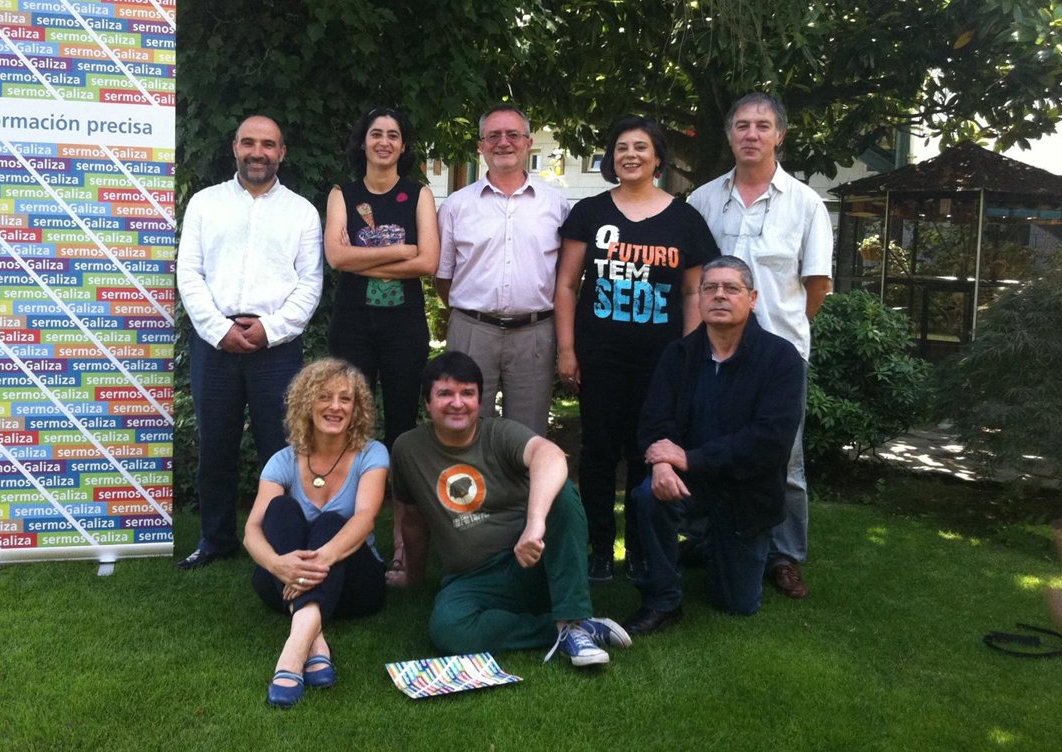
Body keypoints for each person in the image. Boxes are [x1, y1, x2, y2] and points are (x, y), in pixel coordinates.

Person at [389, 351, 632, 668]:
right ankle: (567, 630)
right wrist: (414, 576)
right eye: (445, 393)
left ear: (480, 400)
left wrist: (535, 524)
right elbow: (412, 519)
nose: (457, 403)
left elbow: (551, 455)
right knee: (449, 629)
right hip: (473, 579)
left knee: (562, 493)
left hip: (531, 563)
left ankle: (571, 617)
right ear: (427, 402)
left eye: (467, 393)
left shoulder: (499, 433)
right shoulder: (407, 449)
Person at [555, 116, 718, 584]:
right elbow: (566, 285)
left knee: (648, 452)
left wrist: (688, 353)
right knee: (599, 452)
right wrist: (567, 350)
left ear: (658, 157)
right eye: (622, 147)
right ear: (611, 158)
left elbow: (693, 292)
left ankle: (643, 550)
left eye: (641, 147)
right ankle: (600, 548)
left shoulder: (685, 219)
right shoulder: (589, 212)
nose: (630, 155)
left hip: (660, 362)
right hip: (600, 357)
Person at [686, 93, 833, 599]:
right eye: (742, 125)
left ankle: (785, 555)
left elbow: (817, 284)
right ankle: (706, 538)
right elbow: (692, 279)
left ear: (779, 135)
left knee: (784, 460)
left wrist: (782, 338)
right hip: (712, 351)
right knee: (708, 445)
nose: (752, 134)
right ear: (729, 135)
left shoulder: (806, 204)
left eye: (763, 126)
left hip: (778, 357)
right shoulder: (703, 200)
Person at [624, 256, 805, 632]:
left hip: (747, 491)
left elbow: (770, 442)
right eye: (710, 288)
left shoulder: (781, 359)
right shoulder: (679, 355)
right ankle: (663, 600)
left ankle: (709, 545)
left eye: (731, 288)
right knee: (648, 495)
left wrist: (689, 458)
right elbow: (654, 421)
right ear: (700, 298)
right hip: (690, 483)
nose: (719, 295)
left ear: (752, 299)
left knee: (737, 603)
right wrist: (662, 463)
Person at [176, 115, 323, 570]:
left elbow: (310, 283)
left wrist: (270, 330)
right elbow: (189, 273)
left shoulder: (301, 211)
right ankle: (216, 540)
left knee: (280, 448)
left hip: (276, 348)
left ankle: (281, 540)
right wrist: (219, 330)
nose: (258, 152)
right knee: (215, 446)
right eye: (249, 143)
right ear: (234, 147)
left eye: (268, 144)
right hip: (214, 344)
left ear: (282, 152)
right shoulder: (205, 203)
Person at [324, 106, 438, 584]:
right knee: (348, 426)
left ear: (403, 145)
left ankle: (402, 544)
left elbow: (428, 262)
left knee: (401, 432)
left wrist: (363, 257)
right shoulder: (342, 194)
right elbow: (336, 257)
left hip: (403, 329)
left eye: (393, 135)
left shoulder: (419, 193)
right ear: (364, 141)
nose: (384, 142)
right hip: (352, 325)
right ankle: (350, 538)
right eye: (376, 134)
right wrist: (399, 251)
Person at [243, 358, 389, 708]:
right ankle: (315, 642)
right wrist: (277, 565)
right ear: (306, 404)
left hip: (355, 584)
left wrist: (315, 564)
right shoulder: (283, 461)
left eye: (345, 398)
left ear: (356, 408)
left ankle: (292, 655)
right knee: (280, 509)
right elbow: (251, 531)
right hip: (286, 580)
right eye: (324, 396)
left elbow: (365, 519)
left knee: (331, 522)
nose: (335, 406)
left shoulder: (372, 454)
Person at [435, 105, 570, 435]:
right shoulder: (456, 206)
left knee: (528, 433)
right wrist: (471, 314)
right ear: (480, 146)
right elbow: (443, 276)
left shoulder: (556, 205)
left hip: (534, 334)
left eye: (513, 134)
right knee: (463, 427)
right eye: (493, 136)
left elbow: (565, 278)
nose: (503, 142)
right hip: (472, 330)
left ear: (528, 143)